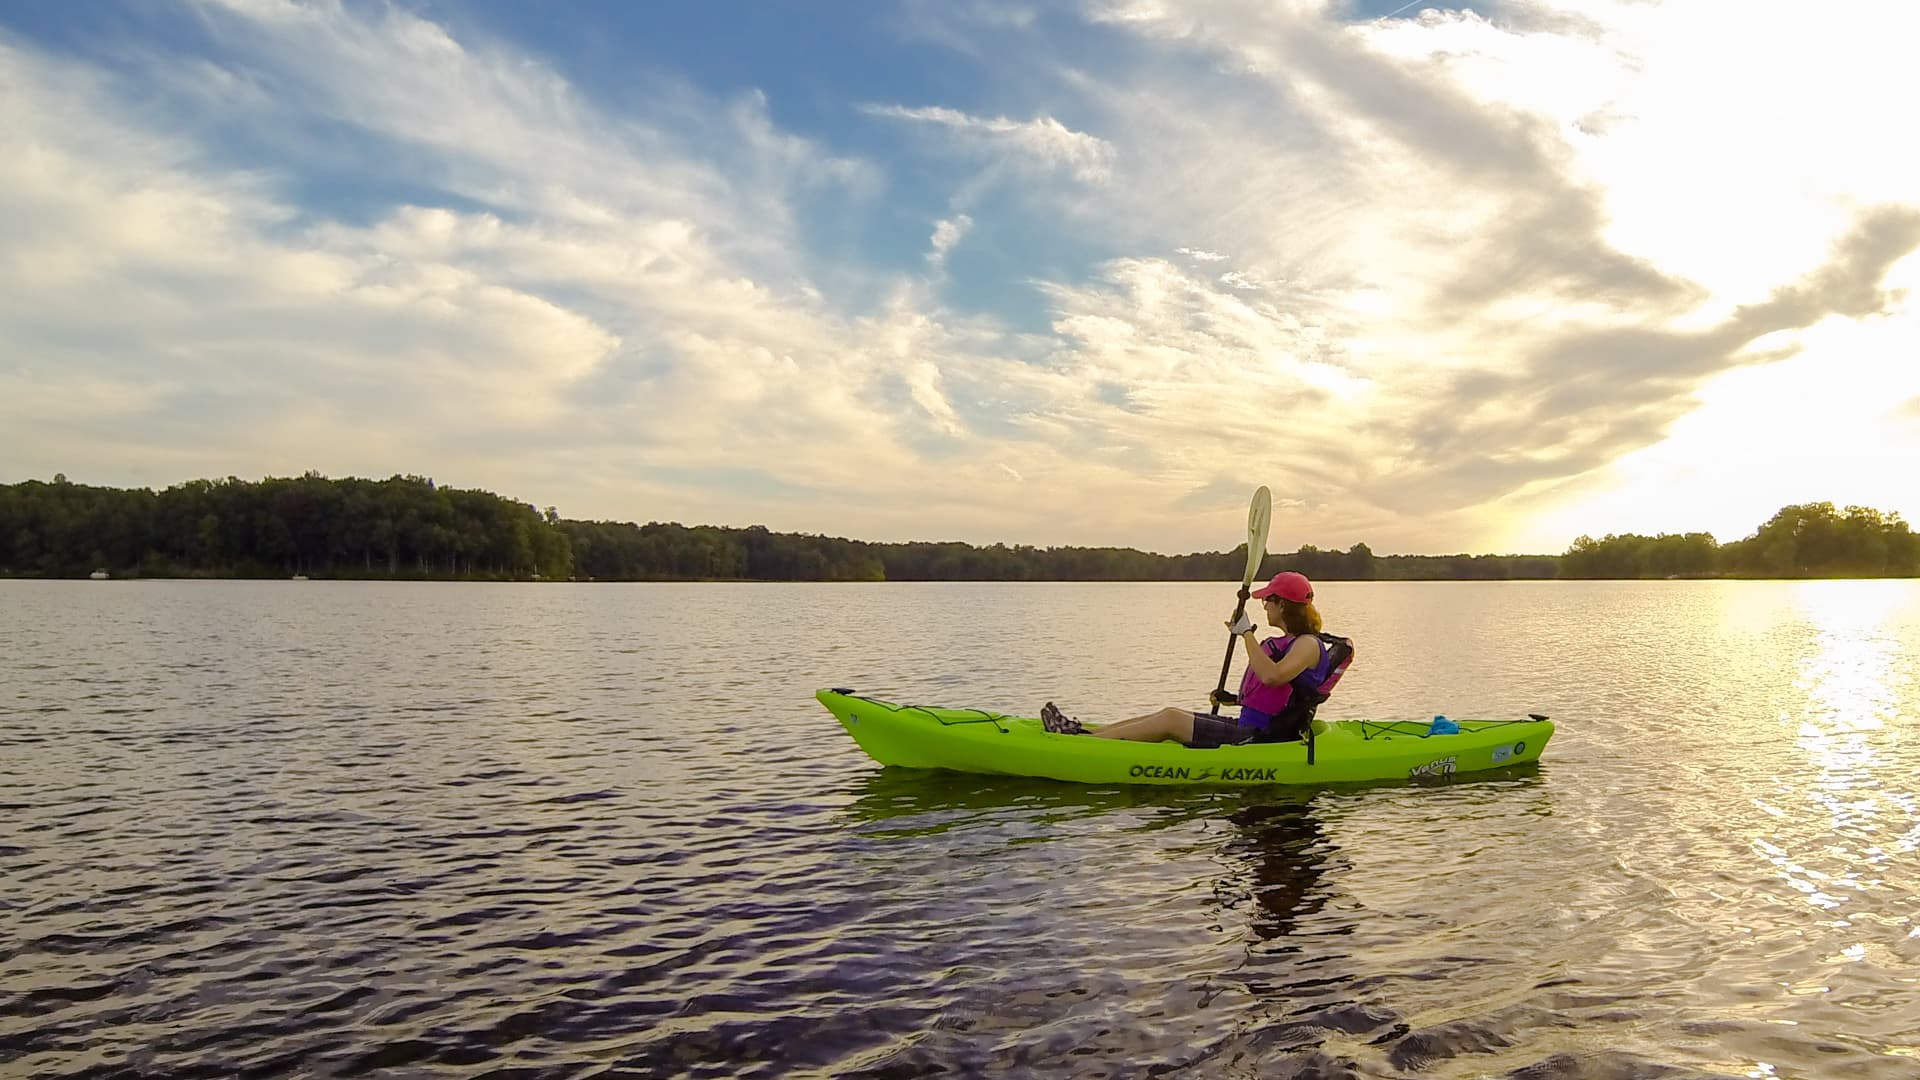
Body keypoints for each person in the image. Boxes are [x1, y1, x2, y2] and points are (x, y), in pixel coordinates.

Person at [1040, 571, 1353, 748]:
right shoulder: (1289, 641)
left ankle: (1081, 748)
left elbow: (1273, 676)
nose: (1264, 605)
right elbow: (1276, 694)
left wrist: (1245, 634)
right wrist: (1231, 699)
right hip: (1253, 726)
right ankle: (1083, 734)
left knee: (1171, 722)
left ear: (1283, 605)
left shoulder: (1308, 645)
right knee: (1170, 712)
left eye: (1269, 600)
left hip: (1264, 739)